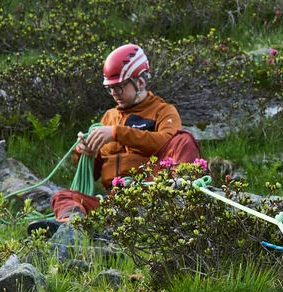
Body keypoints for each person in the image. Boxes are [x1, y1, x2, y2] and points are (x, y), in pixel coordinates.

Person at [44, 43, 197, 223]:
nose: (114, 93)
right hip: (114, 203)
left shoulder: (163, 111)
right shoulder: (108, 118)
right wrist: (85, 153)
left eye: (120, 87)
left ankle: (178, 206)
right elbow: (91, 175)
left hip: (152, 198)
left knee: (184, 139)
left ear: (140, 82)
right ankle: (70, 226)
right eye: (111, 88)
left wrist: (118, 133)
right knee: (63, 197)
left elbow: (168, 142)